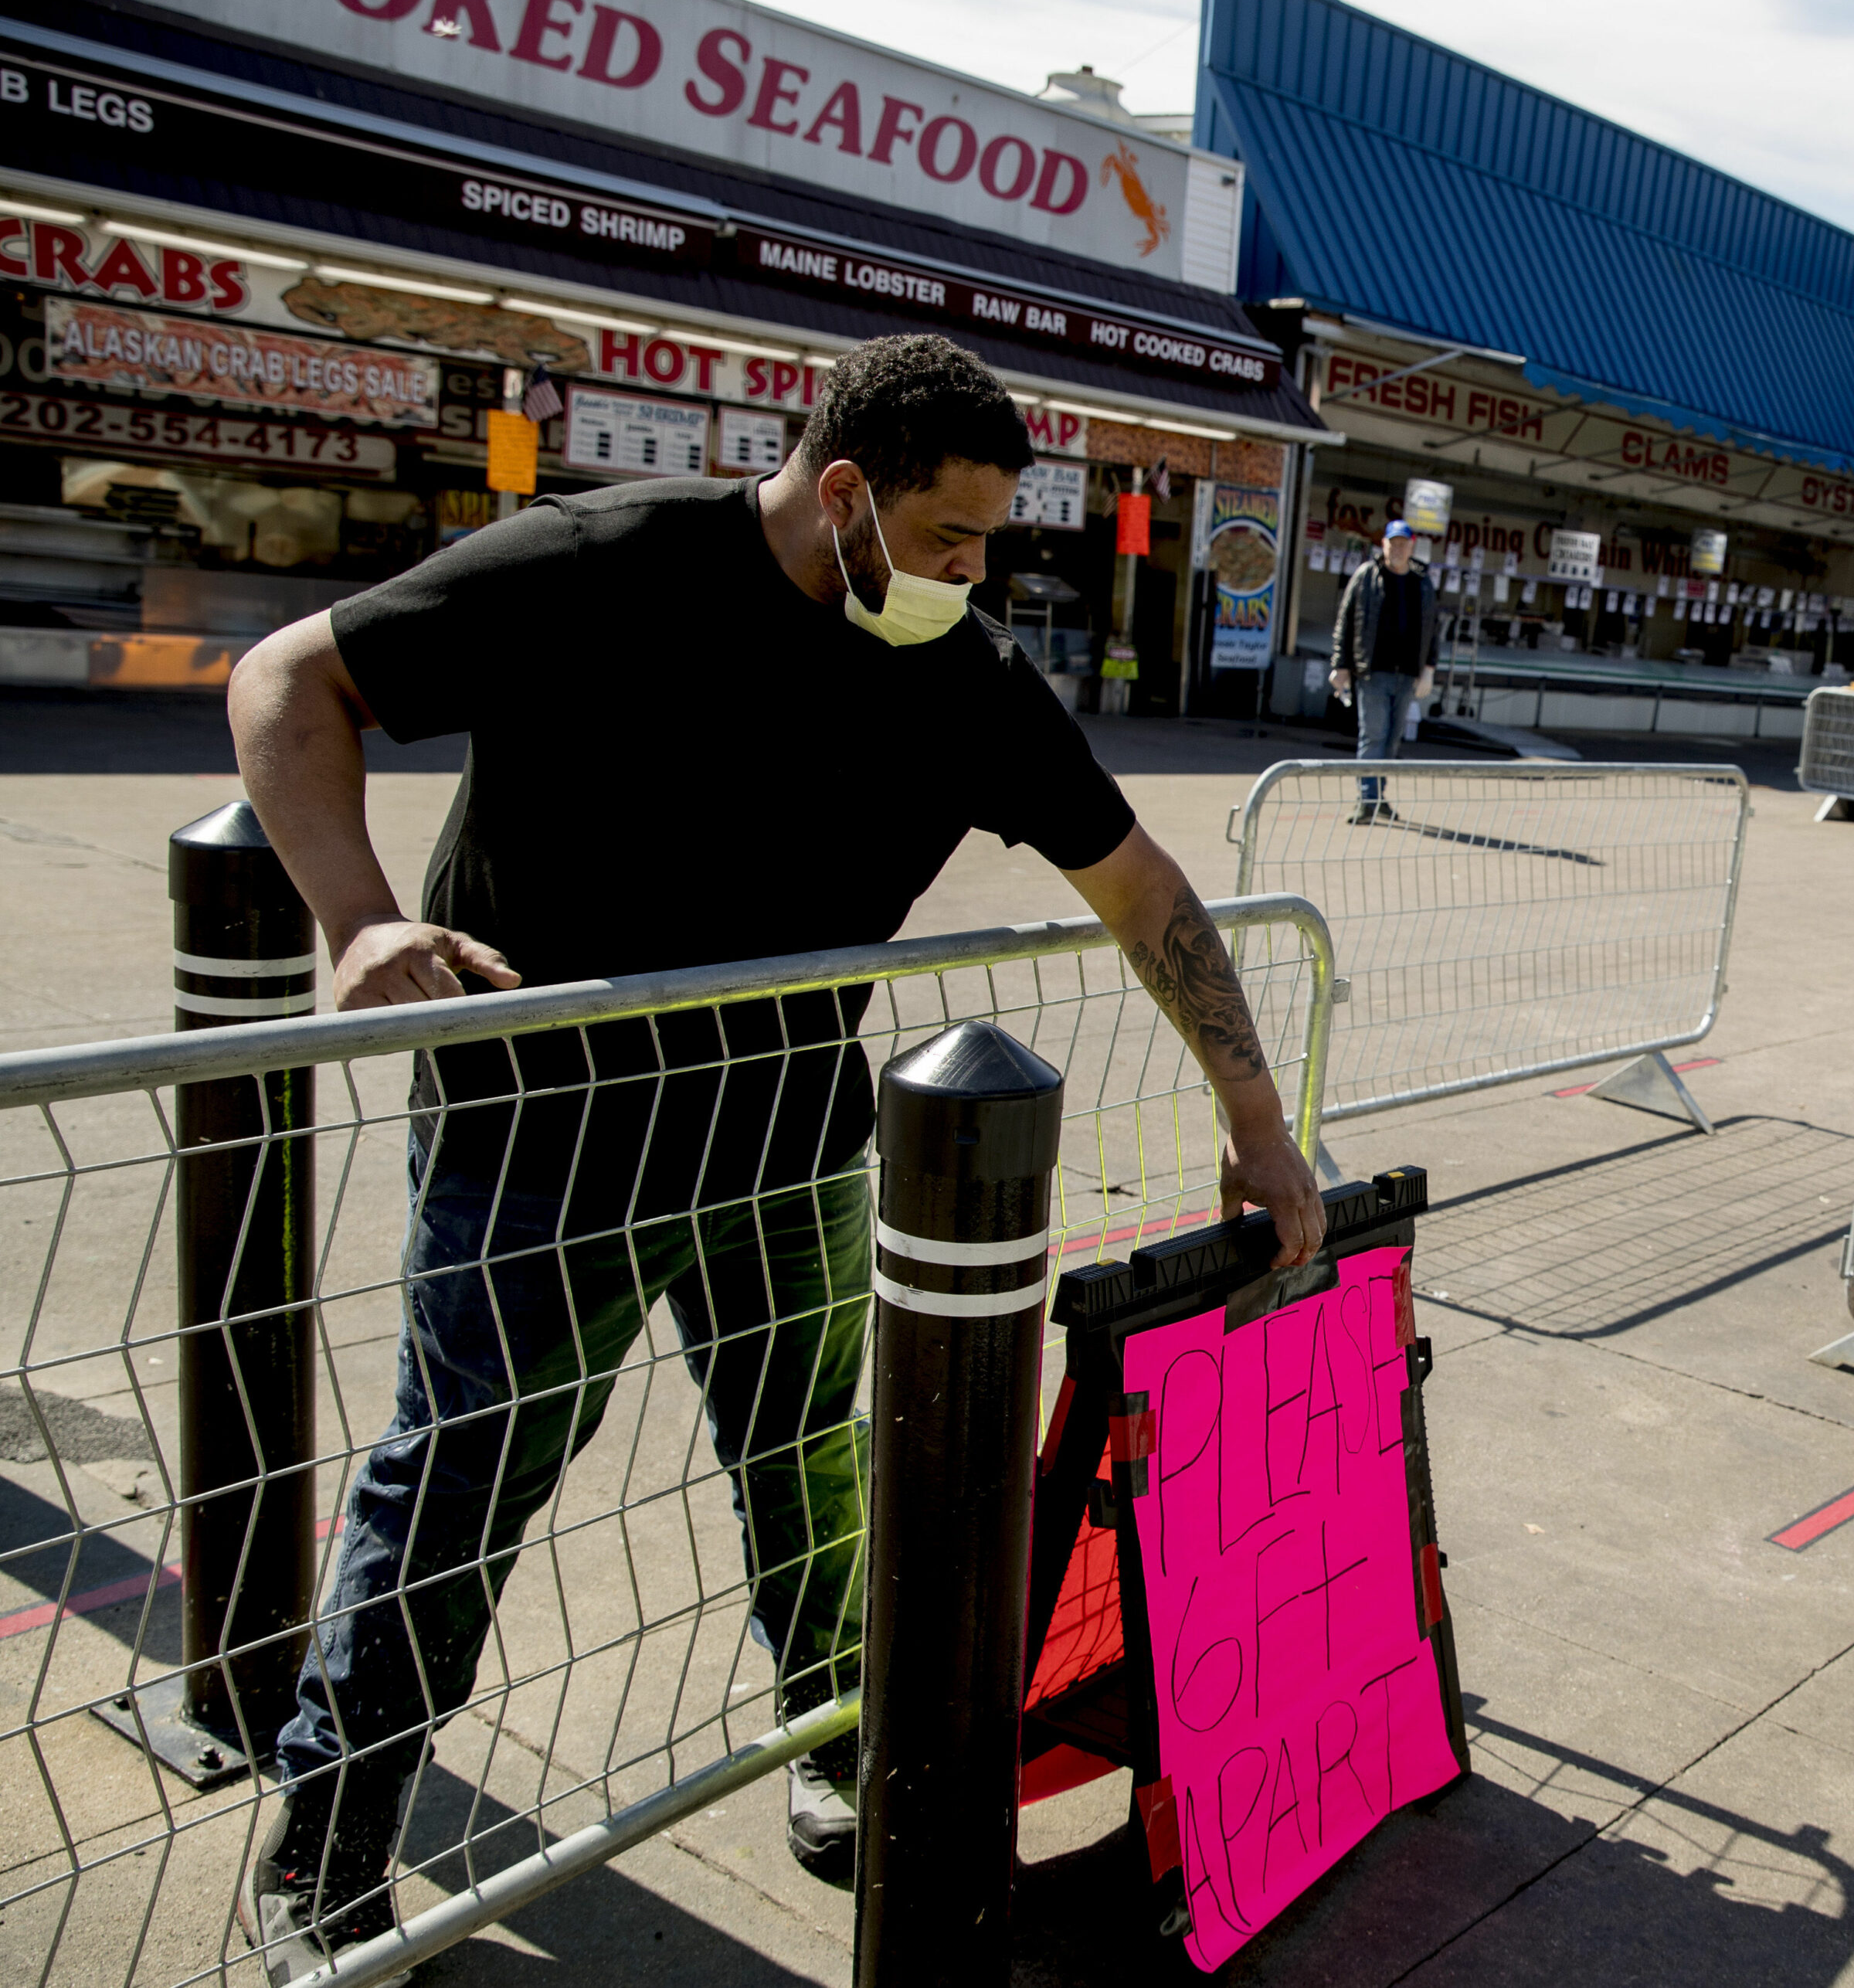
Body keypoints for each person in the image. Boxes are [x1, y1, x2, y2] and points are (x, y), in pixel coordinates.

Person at [222, 334, 1323, 1979]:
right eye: (951, 536)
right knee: (454, 1480)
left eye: (991, 542)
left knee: (812, 1462)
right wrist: (361, 920)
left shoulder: (960, 673)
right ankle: (334, 1826)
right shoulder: (600, 566)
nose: (972, 570)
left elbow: (1141, 885)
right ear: (842, 493)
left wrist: (1256, 1119)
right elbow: (287, 678)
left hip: (785, 1145)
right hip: (544, 1143)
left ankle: (828, 1743)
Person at [1328, 521, 1435, 818]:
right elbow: (1345, 621)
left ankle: (1378, 797)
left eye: (1403, 544)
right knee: (1373, 735)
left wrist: (1429, 668)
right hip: (1373, 672)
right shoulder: (1366, 576)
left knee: (1392, 739)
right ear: (1384, 545)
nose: (1398, 549)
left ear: (1411, 546)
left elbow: (1431, 628)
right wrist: (1341, 665)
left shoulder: (1422, 583)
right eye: (1393, 543)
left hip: (1407, 675)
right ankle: (1366, 799)